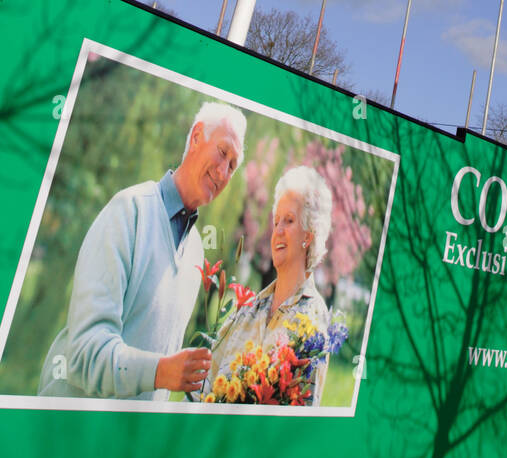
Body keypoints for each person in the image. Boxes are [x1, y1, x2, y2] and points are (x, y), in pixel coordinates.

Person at [38, 101, 246, 401]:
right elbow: (85, 353)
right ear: (197, 137)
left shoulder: (196, 251)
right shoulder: (129, 211)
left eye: (233, 165)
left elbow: (161, 375)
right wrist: (161, 372)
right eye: (223, 152)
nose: (225, 171)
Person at [208, 165, 333, 404]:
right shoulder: (246, 310)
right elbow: (202, 390)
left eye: (289, 221)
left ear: (309, 235)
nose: (278, 231)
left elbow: (299, 417)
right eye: (276, 222)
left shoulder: (313, 321)